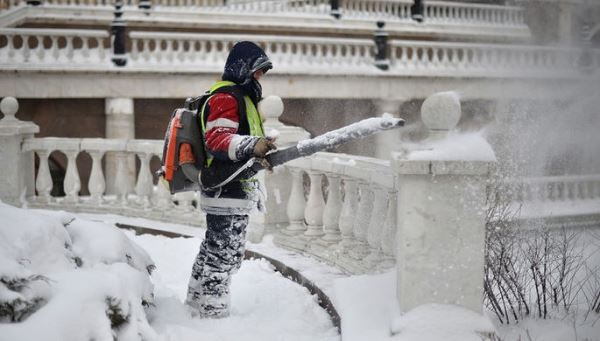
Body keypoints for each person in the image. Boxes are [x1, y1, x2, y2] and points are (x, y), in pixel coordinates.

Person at [184, 41, 276, 318]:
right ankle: (212, 313)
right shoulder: (226, 97)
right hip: (226, 186)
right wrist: (252, 146)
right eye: (257, 71)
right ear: (242, 68)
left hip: (231, 187)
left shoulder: (240, 97)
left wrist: (259, 147)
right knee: (224, 255)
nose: (260, 78)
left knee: (215, 249)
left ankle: (195, 302)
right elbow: (217, 140)